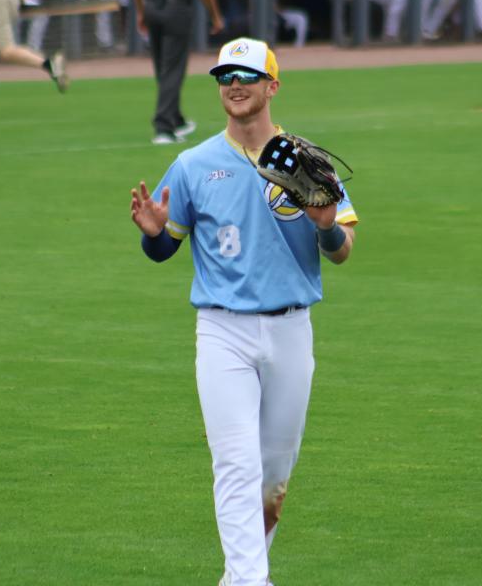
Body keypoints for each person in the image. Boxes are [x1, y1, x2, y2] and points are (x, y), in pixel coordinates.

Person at [129, 37, 358, 586]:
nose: (234, 85)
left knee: (275, 472)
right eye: (225, 76)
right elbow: (164, 247)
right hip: (222, 333)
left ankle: (240, 576)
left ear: (271, 86)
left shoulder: (309, 161)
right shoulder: (191, 164)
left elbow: (344, 250)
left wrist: (325, 224)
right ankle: (252, 581)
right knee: (235, 464)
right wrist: (155, 235)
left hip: (291, 331)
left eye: (246, 76)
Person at [131, 0, 223, 145]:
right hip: (177, 6)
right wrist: (215, 15)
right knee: (172, 70)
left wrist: (140, 10)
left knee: (163, 69)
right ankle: (163, 127)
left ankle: (176, 119)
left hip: (153, 3)